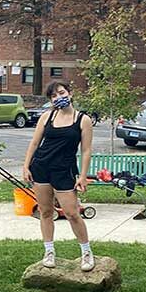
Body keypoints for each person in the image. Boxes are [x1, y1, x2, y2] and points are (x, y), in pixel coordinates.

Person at [22, 80, 95, 271]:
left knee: (72, 214)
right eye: (54, 96)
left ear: (70, 93)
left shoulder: (83, 120)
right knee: (46, 212)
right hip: (41, 168)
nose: (58, 98)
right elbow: (34, 143)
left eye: (61, 93)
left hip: (64, 170)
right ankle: (49, 251)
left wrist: (83, 176)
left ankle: (86, 252)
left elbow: (86, 150)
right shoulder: (47, 117)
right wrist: (26, 166)